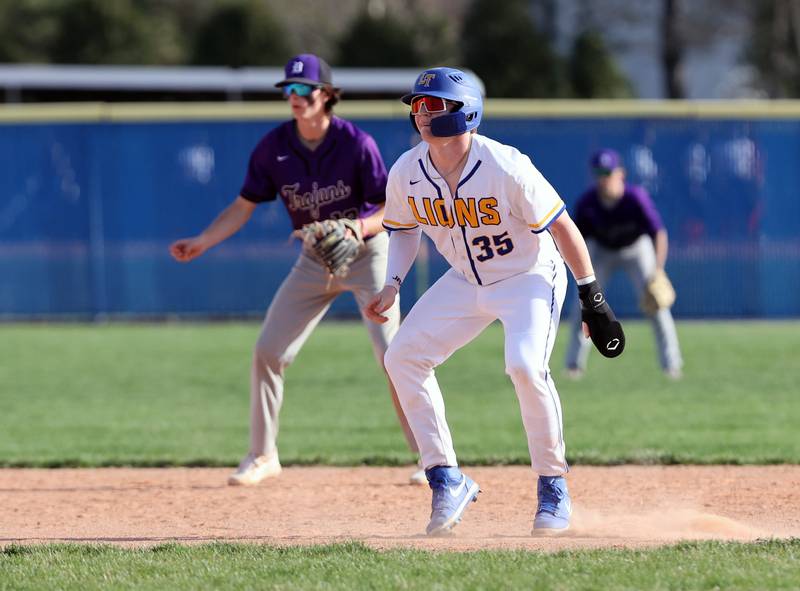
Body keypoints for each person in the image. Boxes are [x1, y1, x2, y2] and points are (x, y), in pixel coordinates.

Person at [365, 67, 623, 536]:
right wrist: (392, 284)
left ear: (467, 113)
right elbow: (402, 231)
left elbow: (563, 226)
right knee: (401, 356)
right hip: (464, 280)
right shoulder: (406, 170)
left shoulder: (505, 166)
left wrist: (592, 296)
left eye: (434, 104)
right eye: (417, 105)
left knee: (524, 365)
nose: (422, 113)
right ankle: (446, 479)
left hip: (527, 276)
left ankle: (553, 488)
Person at [170, 53, 423, 486]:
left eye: (304, 89)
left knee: (392, 356)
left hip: (366, 253)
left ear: (326, 95)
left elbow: (390, 208)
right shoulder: (273, 148)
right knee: (268, 351)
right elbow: (243, 206)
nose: (295, 96)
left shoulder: (356, 144)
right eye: (289, 89)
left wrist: (356, 227)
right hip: (313, 259)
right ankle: (263, 454)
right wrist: (203, 240)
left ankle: (428, 457)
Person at [564, 149, 683, 379]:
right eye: (599, 172)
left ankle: (672, 365)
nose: (604, 177)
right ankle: (573, 365)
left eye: (608, 171)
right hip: (602, 251)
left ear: (621, 173)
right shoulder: (588, 203)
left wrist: (658, 270)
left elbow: (658, 233)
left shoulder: (635, 198)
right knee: (586, 305)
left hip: (636, 249)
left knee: (658, 305)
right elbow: (576, 239)